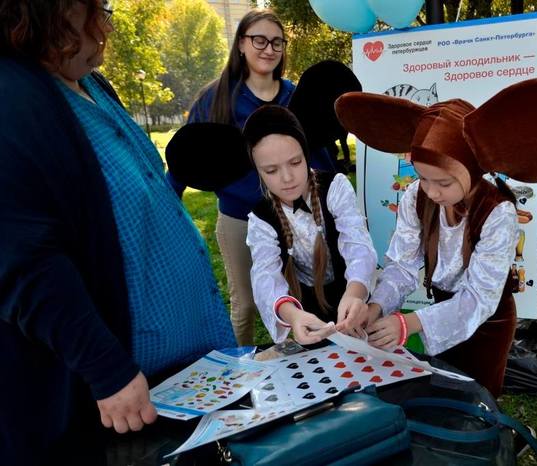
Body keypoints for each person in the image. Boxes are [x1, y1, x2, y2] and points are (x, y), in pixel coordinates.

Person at [0, 1, 235, 464]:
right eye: (98, 8)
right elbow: (20, 259)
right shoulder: (11, 97)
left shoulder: (89, 83)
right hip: (128, 399)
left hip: (190, 373)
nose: (107, 24)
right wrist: (105, 367)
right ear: (54, 11)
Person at [335, 78, 537, 397]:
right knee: (443, 393)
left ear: (472, 169)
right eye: (423, 177)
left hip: (489, 324)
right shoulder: (417, 197)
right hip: (439, 310)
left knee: (478, 397)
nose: (432, 191)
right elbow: (401, 266)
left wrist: (410, 324)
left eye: (443, 182)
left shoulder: (497, 212)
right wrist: (376, 307)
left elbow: (479, 298)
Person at [167, 9, 336, 346]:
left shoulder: (295, 97)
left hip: (293, 217)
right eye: (259, 40)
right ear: (241, 44)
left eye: (277, 42)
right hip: (239, 217)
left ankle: (301, 363)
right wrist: (168, 205)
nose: (268, 49)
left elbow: (317, 154)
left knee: (298, 298)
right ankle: (240, 372)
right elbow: (190, 156)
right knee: (244, 304)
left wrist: (332, 200)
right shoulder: (216, 98)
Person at [166, 106, 377, 345]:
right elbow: (265, 275)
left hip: (353, 302)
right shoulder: (261, 218)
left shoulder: (335, 188)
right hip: (305, 311)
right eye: (271, 170)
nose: (287, 178)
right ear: (256, 170)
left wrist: (356, 292)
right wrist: (293, 315)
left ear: (306, 154)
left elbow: (358, 243)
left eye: (295, 162)